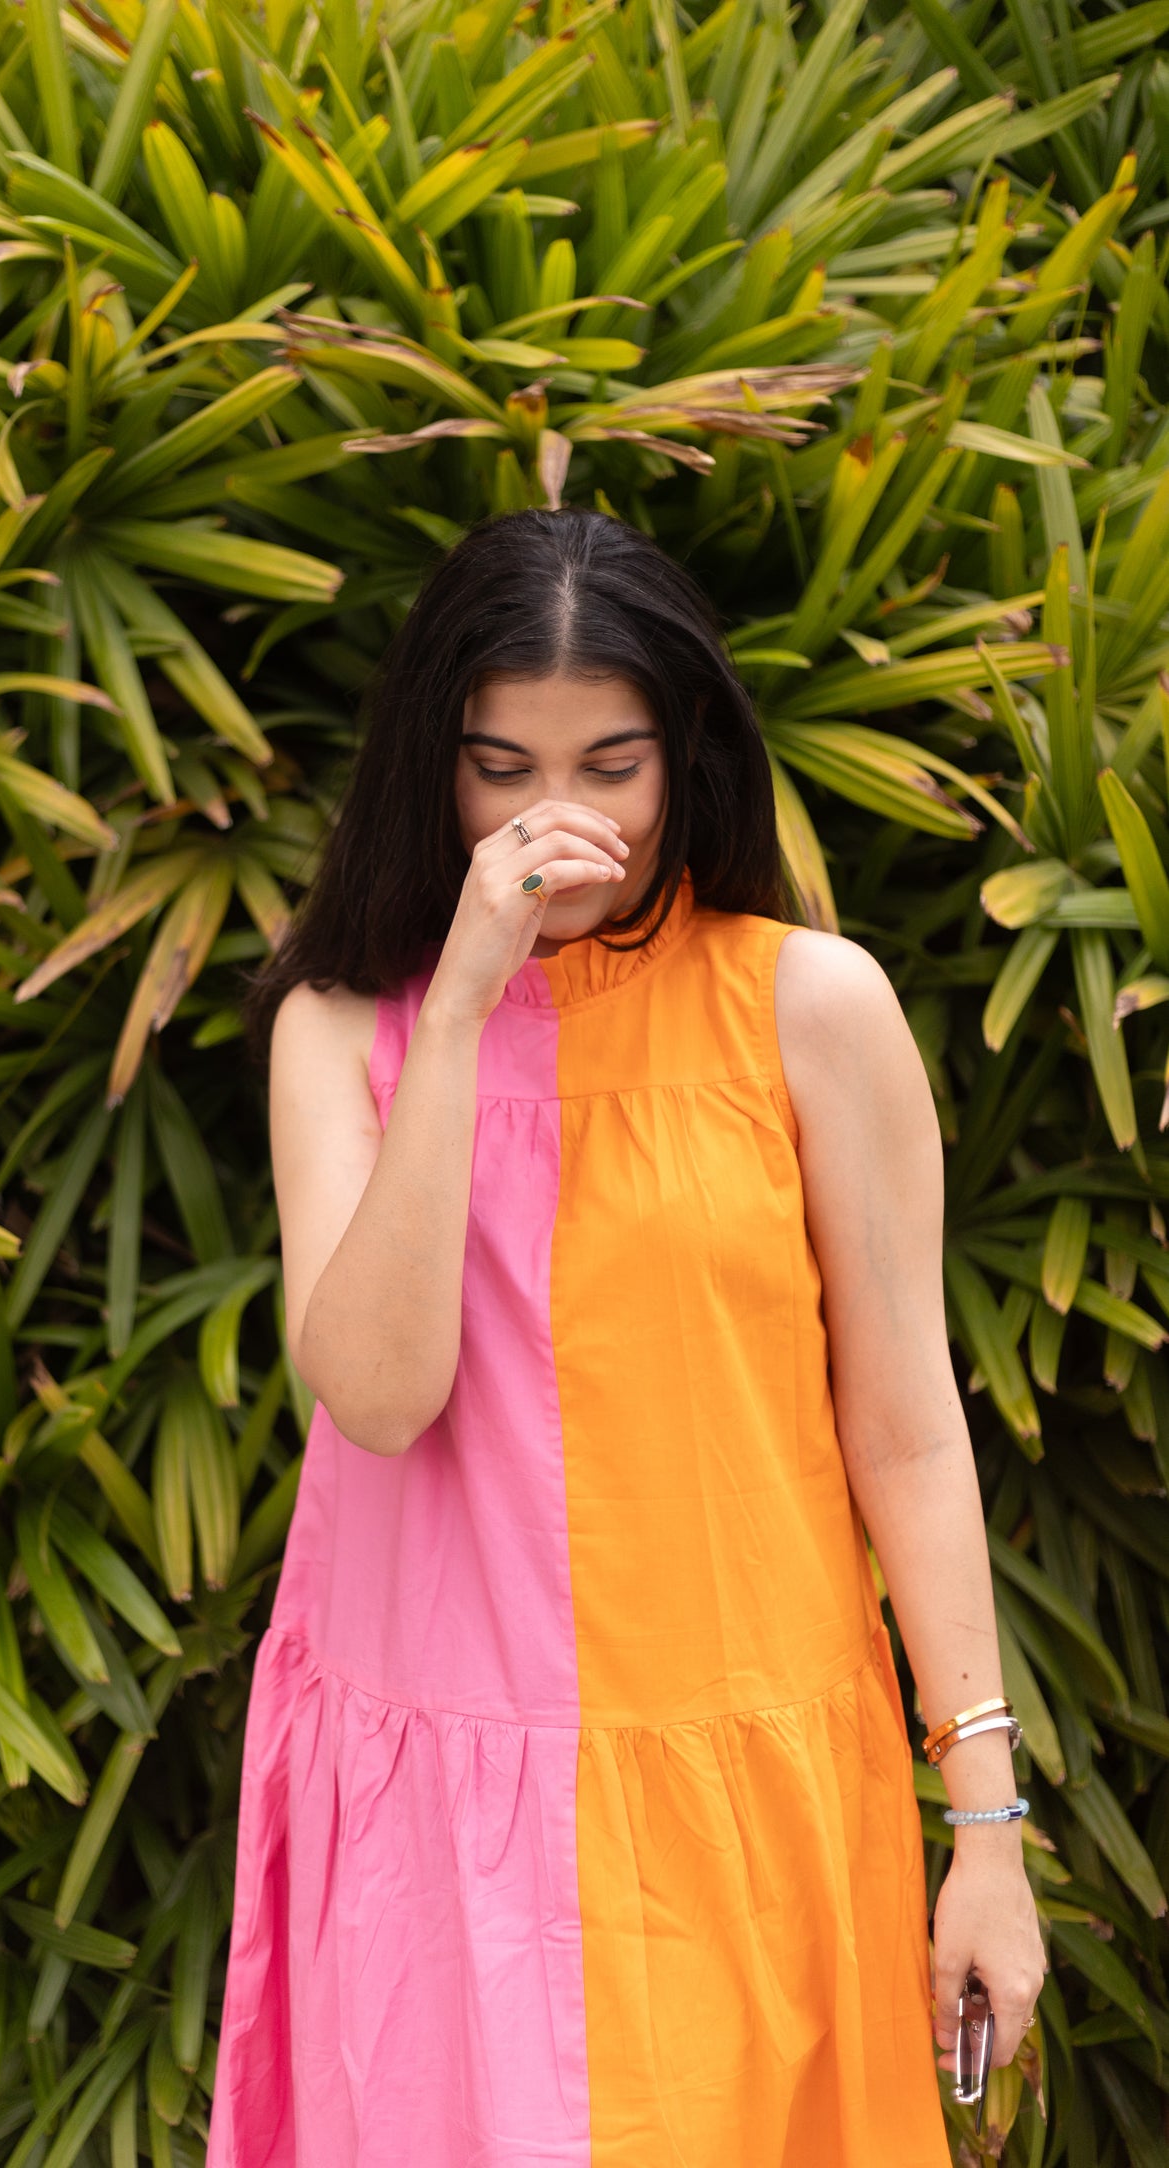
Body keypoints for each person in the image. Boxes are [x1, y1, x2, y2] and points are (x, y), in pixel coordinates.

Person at [205, 506, 1047, 2167]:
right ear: (427, 768)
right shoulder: (338, 1029)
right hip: (433, 1816)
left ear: (685, 764)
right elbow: (378, 1394)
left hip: (746, 1792)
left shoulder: (811, 1006)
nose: (553, 819)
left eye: (610, 765)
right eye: (498, 767)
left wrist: (987, 1833)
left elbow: (904, 1433)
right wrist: (456, 1001)